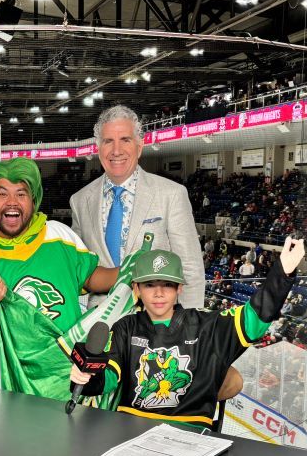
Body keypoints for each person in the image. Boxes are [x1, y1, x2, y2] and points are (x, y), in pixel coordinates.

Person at [68, 237, 304, 429]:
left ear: (179, 288)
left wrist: (282, 273)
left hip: (191, 432)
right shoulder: (125, 327)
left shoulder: (208, 326)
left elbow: (255, 318)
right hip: (130, 428)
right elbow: (109, 377)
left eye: (167, 284)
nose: (159, 293)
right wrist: (88, 378)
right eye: (150, 284)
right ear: (136, 289)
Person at [0, 157, 120, 399]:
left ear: (34, 200)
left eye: (21, 194)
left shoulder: (60, 235)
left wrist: (129, 271)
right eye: (2, 193)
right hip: (8, 379)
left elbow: (90, 278)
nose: (12, 202)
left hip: (66, 373)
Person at [69, 105, 206, 308]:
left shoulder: (172, 194)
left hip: (156, 324)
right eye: (108, 141)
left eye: (125, 140)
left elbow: (191, 268)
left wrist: (191, 325)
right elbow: (77, 270)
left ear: (139, 147)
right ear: (99, 149)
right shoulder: (80, 201)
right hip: (98, 327)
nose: (116, 151)